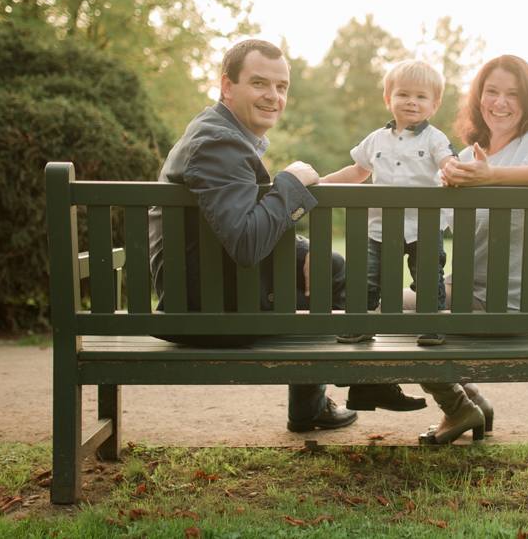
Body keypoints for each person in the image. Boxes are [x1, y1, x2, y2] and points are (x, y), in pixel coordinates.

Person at [147, 39, 426, 434]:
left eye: (281, 87)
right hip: (207, 310)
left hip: (208, 290)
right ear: (227, 85)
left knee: (329, 264)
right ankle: (347, 389)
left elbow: (232, 226)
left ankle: (336, 395)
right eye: (260, 83)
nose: (273, 96)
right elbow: (245, 243)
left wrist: (304, 249)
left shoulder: (220, 134)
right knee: (335, 280)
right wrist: (291, 184)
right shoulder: (218, 145)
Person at [413, 54, 528, 444]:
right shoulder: (466, 157)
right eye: (492, 91)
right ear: (478, 97)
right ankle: (472, 402)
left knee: (400, 319)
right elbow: (434, 223)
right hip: (466, 294)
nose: (500, 102)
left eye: (512, 94)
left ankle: (459, 407)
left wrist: (492, 177)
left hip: (512, 304)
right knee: (384, 308)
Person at [320, 59, 457, 346]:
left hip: (424, 227)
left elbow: (448, 162)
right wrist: (322, 182)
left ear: (434, 106)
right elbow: (356, 171)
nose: (411, 102)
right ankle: (363, 323)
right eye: (403, 94)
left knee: (429, 278)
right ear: (388, 99)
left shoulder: (435, 139)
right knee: (369, 277)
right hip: (380, 228)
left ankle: (432, 323)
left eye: (421, 97)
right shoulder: (375, 140)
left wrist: (454, 171)